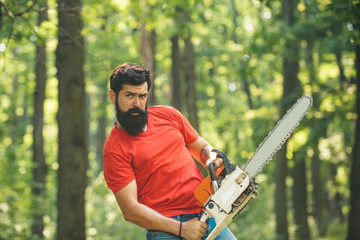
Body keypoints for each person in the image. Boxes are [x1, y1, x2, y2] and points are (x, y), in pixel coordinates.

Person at [103, 63, 237, 240]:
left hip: (206, 214)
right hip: (165, 228)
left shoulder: (168, 115)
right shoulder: (114, 148)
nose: (137, 103)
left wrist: (212, 158)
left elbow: (203, 149)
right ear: (113, 96)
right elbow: (130, 210)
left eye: (142, 96)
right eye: (129, 96)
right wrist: (182, 229)